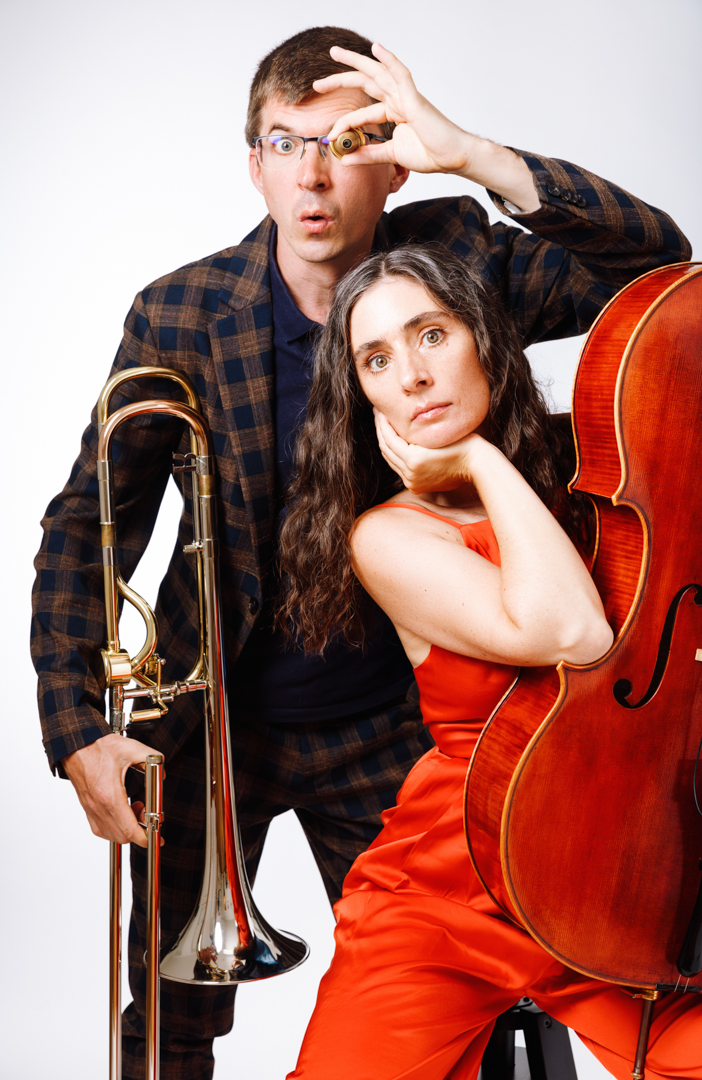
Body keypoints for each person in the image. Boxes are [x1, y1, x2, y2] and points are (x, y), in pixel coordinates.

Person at [30, 26, 692, 1080]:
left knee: (474, 997)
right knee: (169, 1014)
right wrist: (77, 726)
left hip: (395, 718)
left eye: (348, 144)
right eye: (286, 144)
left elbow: (658, 270)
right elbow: (89, 520)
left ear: (393, 165)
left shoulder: (458, 268)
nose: (314, 176)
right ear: (254, 164)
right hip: (214, 723)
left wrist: (472, 152)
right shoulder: (181, 313)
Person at [279, 244, 702, 1080]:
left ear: (484, 338)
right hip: (456, 882)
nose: (412, 375)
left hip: (616, 866)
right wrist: (476, 457)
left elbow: (664, 263)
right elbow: (574, 635)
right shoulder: (386, 537)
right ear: (362, 395)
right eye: (376, 360)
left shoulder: (601, 478)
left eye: (432, 335)